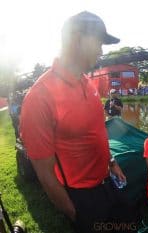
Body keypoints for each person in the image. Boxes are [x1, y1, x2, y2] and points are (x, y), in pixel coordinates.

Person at [20, 11, 128, 233]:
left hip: (107, 182)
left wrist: (112, 161)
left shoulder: (88, 83)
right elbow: (45, 173)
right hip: (81, 196)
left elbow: (95, 131)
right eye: (99, 42)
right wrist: (74, 212)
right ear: (78, 38)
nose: (101, 51)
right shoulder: (40, 97)